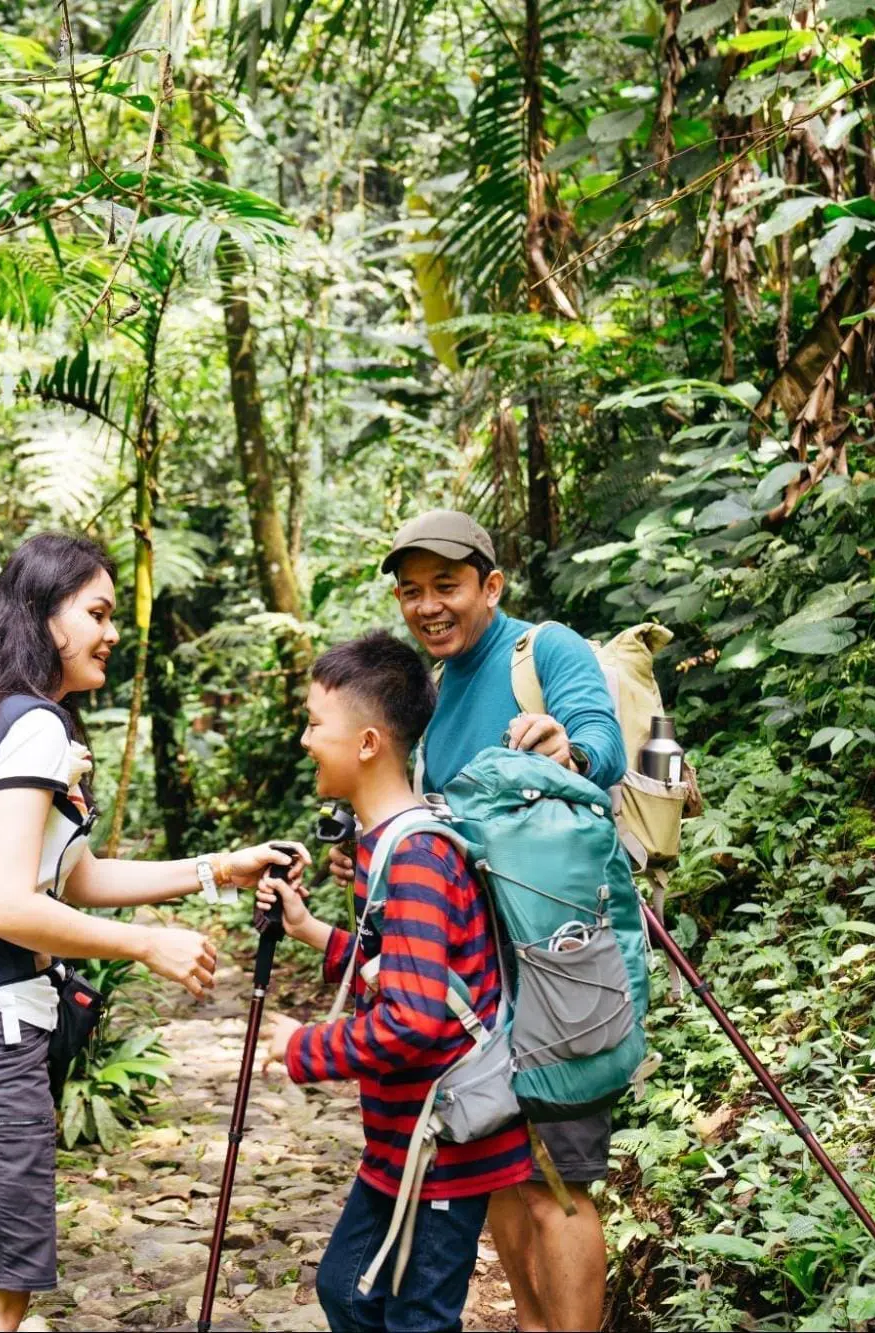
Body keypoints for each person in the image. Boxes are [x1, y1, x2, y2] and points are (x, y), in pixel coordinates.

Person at [0, 532, 310, 1333]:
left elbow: (67, 875)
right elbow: (10, 906)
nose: (112, 631)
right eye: (97, 612)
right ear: (44, 617)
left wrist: (218, 867)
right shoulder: (34, 726)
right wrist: (148, 943)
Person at [328, 509, 626, 1332]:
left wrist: (564, 746)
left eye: (447, 586)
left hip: (558, 960)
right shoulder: (437, 688)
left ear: (490, 586)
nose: (428, 605)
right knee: (493, 1164)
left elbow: (602, 744)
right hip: (478, 977)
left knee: (557, 1180)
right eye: (411, 590)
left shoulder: (543, 650)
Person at [259, 631, 533, 1331]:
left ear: (367, 742)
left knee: (415, 1316)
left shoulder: (412, 854)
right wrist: (310, 930)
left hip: (443, 1142)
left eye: (315, 722)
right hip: (405, 1139)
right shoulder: (393, 841)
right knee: (348, 1291)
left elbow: (412, 1018)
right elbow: (415, 971)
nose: (303, 738)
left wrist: (303, 1049)